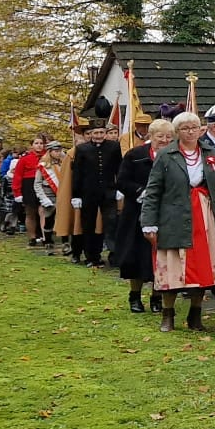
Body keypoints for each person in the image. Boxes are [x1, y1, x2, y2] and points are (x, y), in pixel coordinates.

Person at [138, 111, 215, 333]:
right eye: (185, 128)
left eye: (194, 128)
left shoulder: (210, 153)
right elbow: (153, 191)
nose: (190, 132)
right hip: (173, 218)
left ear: (200, 130)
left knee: (202, 268)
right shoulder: (166, 155)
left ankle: (195, 314)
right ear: (177, 132)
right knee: (172, 268)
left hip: (204, 217)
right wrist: (148, 222)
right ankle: (168, 314)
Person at [115, 120, 172, 314]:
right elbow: (122, 181)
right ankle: (135, 296)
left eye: (168, 137)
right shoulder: (135, 155)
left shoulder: (174, 156)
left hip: (165, 214)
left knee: (160, 257)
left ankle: (157, 296)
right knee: (136, 256)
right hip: (136, 213)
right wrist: (141, 192)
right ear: (151, 135)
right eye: (160, 136)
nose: (164, 140)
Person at [68, 124, 122, 269]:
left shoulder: (114, 147)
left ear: (105, 133)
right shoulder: (82, 149)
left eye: (101, 132)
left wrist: (119, 188)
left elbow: (119, 168)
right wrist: (76, 195)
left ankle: (114, 255)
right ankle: (91, 257)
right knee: (89, 225)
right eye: (96, 132)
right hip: (88, 193)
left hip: (108, 192)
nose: (98, 135)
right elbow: (77, 173)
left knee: (111, 223)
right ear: (91, 134)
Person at [14, 135, 48, 246]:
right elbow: (17, 176)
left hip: (43, 185)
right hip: (28, 186)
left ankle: (45, 236)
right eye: (36, 143)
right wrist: (17, 192)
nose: (39, 146)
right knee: (30, 213)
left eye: (41, 143)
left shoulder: (48, 157)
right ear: (32, 145)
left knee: (43, 211)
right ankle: (32, 237)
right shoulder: (25, 159)